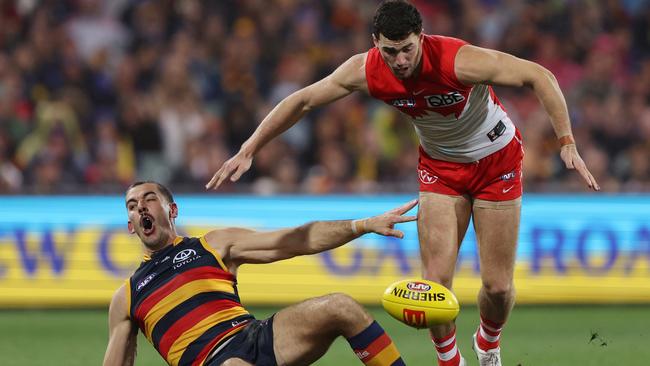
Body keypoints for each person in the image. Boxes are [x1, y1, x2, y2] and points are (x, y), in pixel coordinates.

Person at [205, 1, 600, 365]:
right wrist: (249, 147)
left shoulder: (457, 60)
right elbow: (303, 100)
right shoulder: (366, 70)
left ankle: (488, 343)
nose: (399, 60)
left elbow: (539, 75)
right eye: (389, 51)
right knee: (435, 288)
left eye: (407, 49)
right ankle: (450, 361)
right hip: (440, 169)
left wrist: (566, 142)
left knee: (497, 288)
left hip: (497, 163)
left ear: (421, 37)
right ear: (375, 43)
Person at [103, 180, 417, 366]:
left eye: (149, 199)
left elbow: (295, 240)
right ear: (131, 225)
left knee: (341, 306)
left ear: (172, 210)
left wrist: (362, 225)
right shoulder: (127, 296)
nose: (141, 207)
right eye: (132, 205)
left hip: (256, 337)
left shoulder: (213, 244)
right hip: (211, 361)